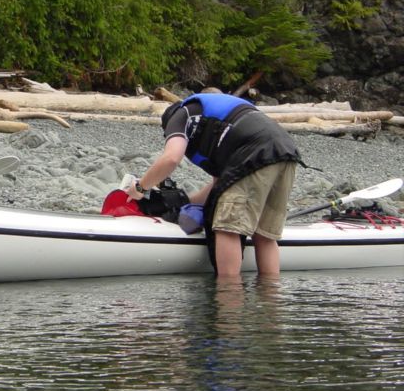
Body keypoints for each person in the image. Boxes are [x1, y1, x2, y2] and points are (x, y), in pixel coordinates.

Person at [124, 93, 301, 277]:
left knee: (227, 227)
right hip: (286, 152)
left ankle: (229, 298)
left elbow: (171, 158)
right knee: (264, 235)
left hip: (254, 152)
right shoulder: (219, 122)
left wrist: (140, 188)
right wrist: (186, 203)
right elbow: (221, 187)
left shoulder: (180, 115)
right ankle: (270, 300)